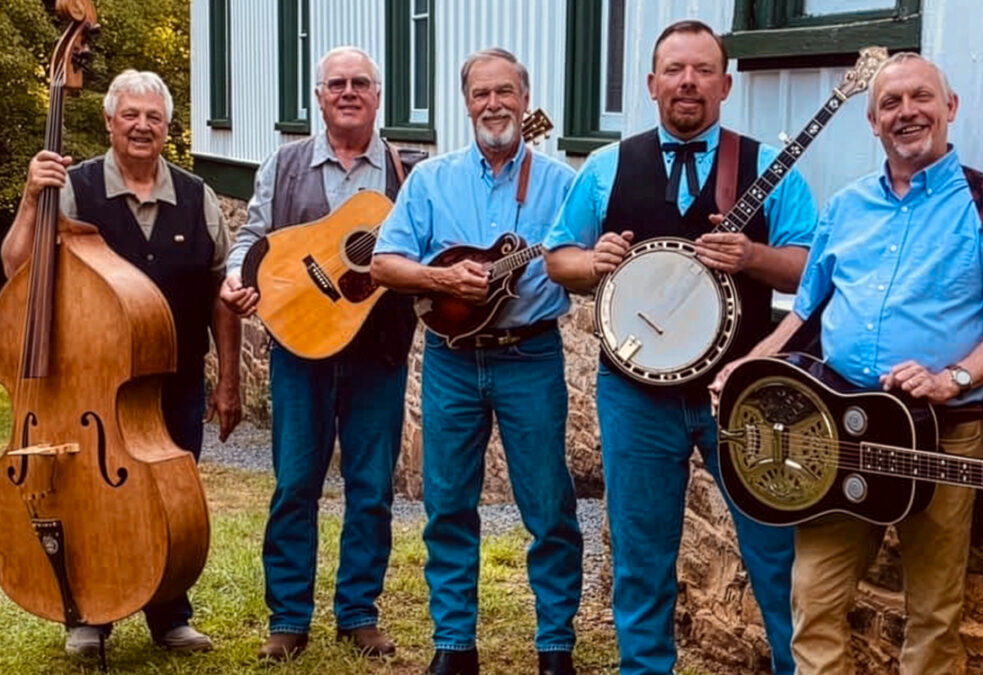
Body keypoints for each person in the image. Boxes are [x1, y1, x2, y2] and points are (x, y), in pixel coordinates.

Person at [709, 52, 983, 674]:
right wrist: (745, 367)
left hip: (940, 437)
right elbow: (801, 315)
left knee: (934, 616)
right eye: (891, 103)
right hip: (834, 432)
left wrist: (953, 378)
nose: (907, 112)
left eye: (922, 98)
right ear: (872, 121)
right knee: (813, 598)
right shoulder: (847, 206)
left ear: (950, 108)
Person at [544, 20, 818, 675]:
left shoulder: (766, 170)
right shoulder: (607, 165)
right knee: (642, 554)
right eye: (674, 69)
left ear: (726, 84)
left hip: (746, 392)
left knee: (776, 552)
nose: (688, 82)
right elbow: (558, 256)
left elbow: (810, 269)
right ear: (651, 83)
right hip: (634, 393)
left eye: (702, 70)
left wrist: (752, 255)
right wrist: (594, 262)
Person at [1, 69, 242, 656]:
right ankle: (86, 617)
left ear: (167, 128)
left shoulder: (197, 195)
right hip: (85, 384)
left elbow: (221, 291)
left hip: (173, 375)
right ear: (110, 122)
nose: (141, 126)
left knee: (168, 497)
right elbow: (16, 268)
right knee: (85, 494)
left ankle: (168, 616)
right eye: (130, 115)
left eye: (153, 117)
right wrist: (34, 197)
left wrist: (229, 381)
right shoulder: (73, 188)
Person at [371, 48, 583, 675]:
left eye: (506, 92)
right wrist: (439, 277)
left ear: (525, 98)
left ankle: (554, 648)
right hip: (451, 359)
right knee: (448, 503)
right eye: (481, 94)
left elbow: (582, 258)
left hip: (531, 355)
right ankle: (455, 646)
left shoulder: (561, 184)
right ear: (466, 105)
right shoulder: (431, 180)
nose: (494, 104)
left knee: (548, 506)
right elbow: (384, 263)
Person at [219, 46, 417, 661]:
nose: (349, 91)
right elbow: (253, 235)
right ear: (320, 95)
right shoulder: (284, 164)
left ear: (378, 96)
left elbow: (424, 248)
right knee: (295, 484)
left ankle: (358, 612)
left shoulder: (406, 172)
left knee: (371, 487)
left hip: (377, 352)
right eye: (337, 83)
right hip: (300, 344)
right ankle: (289, 618)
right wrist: (237, 275)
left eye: (361, 82)